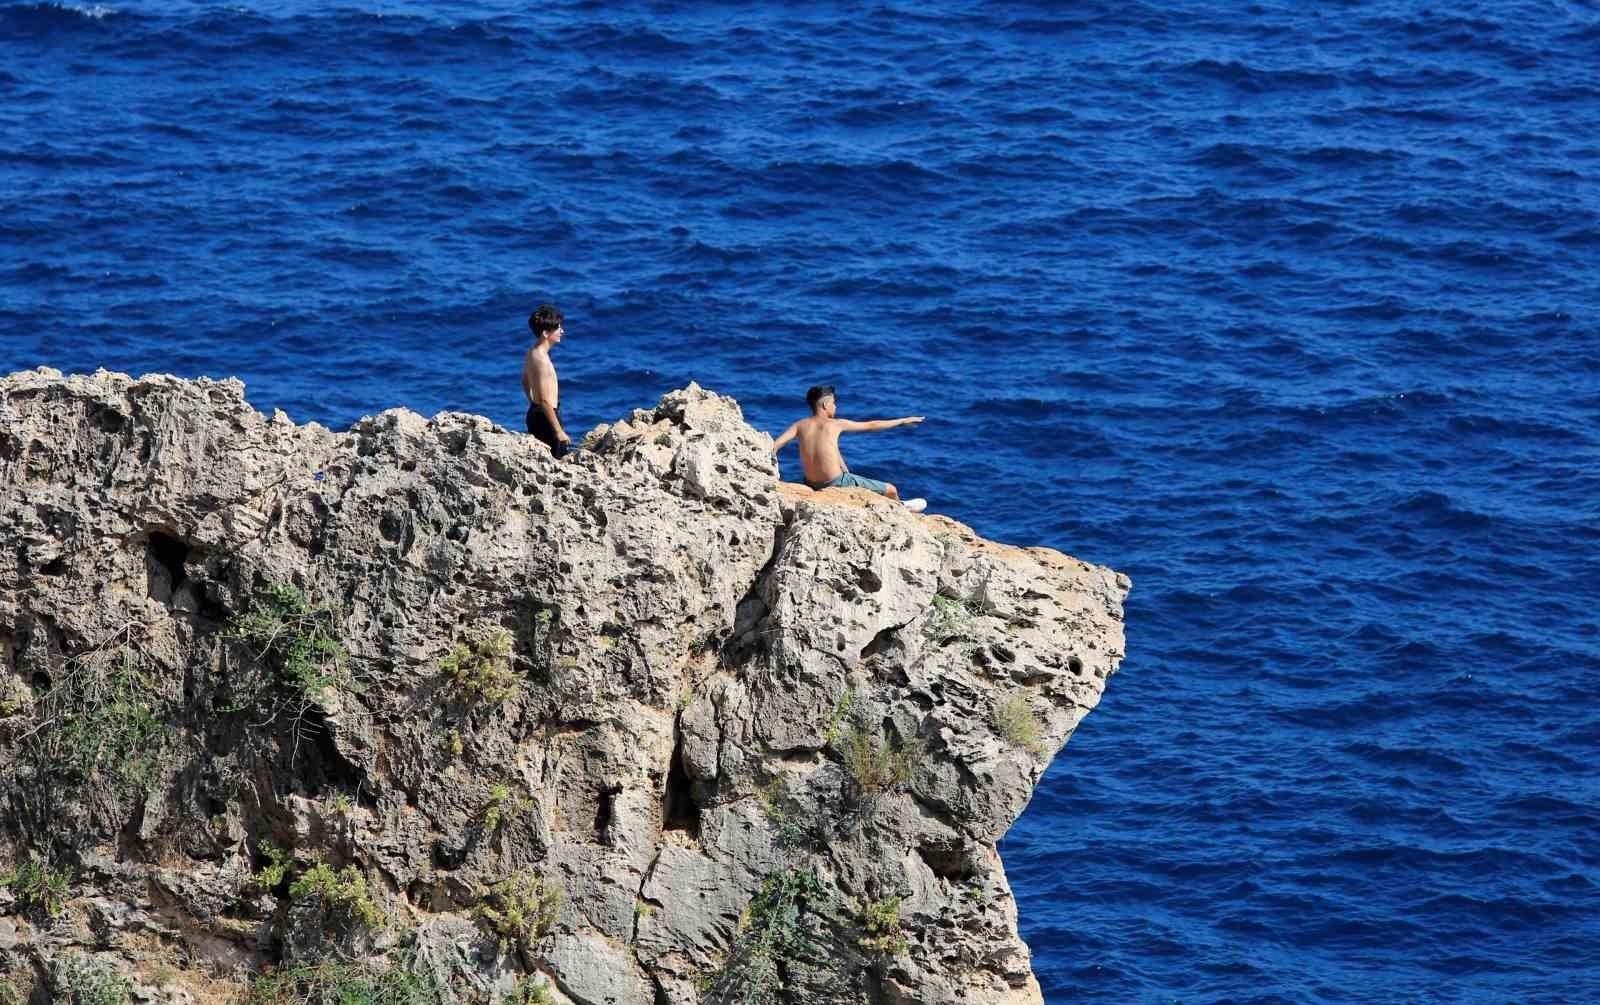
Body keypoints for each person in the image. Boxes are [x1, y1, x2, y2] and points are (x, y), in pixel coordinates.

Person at [772, 385, 927, 512]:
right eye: (834, 403)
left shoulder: (799, 425)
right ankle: (902, 510)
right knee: (891, 490)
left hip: (809, 483)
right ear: (826, 405)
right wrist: (902, 421)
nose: (835, 406)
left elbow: (776, 445)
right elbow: (871, 425)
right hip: (835, 482)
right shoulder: (835, 424)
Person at [522, 304, 570, 458]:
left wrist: (532, 403)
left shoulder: (532, 352)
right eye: (557, 328)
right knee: (557, 461)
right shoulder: (542, 360)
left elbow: (525, 381)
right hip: (546, 418)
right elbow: (544, 400)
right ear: (545, 333)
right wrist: (559, 431)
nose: (562, 331)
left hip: (536, 413)